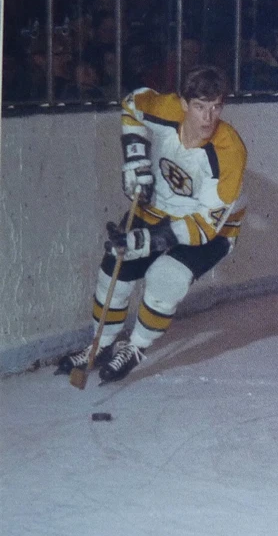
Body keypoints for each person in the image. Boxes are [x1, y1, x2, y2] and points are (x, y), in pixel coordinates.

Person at [56, 65, 247, 384]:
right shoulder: (164, 108)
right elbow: (132, 103)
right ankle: (100, 346)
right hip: (158, 209)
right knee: (114, 269)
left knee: (165, 277)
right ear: (184, 104)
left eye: (216, 107)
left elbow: (202, 228)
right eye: (200, 106)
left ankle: (135, 347)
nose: (208, 118)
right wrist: (135, 160)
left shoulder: (229, 152)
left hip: (214, 229)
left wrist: (142, 242)